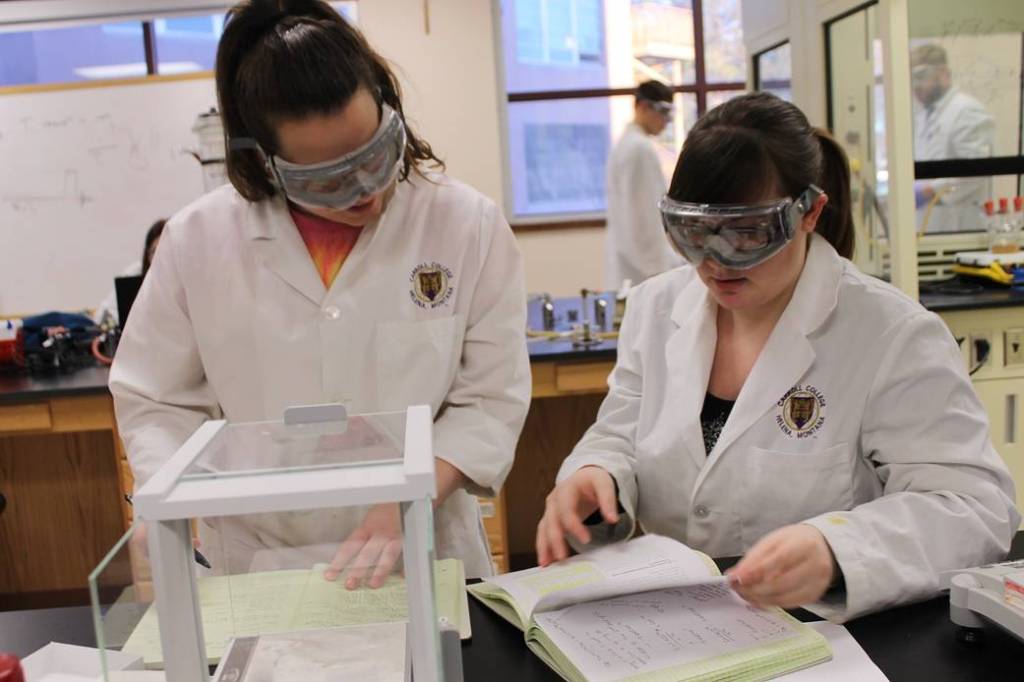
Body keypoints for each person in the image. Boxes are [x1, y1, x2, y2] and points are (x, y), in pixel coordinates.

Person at [536, 92, 1018, 621]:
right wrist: (596, 471)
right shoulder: (656, 308)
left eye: (747, 234)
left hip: (829, 638)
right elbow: (622, 431)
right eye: (693, 234)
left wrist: (838, 550)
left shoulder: (892, 335)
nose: (716, 263)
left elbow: (975, 509)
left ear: (809, 213)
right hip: (674, 626)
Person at [110, 0, 530, 584]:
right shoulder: (198, 241)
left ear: (389, 106)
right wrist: (168, 497)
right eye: (327, 179)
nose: (366, 192)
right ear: (264, 162)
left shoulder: (466, 225)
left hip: (423, 549)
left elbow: (488, 398)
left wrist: (408, 497)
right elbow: (156, 399)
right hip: (258, 562)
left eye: (377, 153)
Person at [604, 80, 684, 291]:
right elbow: (644, 220)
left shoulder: (626, 145)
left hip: (630, 271)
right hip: (644, 274)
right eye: (662, 111)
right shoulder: (639, 149)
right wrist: (662, 272)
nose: (666, 121)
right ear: (642, 106)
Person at [911, 43, 994, 233]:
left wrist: (929, 190)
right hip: (931, 223)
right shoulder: (926, 114)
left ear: (943, 73)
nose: (916, 87)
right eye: (912, 79)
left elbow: (975, 171)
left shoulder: (967, 110)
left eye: (921, 77)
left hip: (960, 226)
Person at [92, 219, 165, 326]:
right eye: (154, 251)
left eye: (164, 249)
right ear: (147, 255)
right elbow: (104, 314)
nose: (159, 256)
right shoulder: (135, 273)